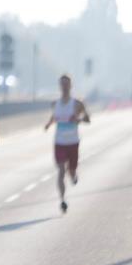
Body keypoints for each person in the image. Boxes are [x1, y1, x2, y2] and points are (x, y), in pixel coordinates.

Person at [43, 74, 91, 214]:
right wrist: (48, 124)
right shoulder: (55, 104)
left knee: (71, 170)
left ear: (71, 86)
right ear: (59, 86)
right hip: (59, 142)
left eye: (66, 84)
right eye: (62, 84)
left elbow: (88, 119)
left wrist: (79, 119)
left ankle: (74, 175)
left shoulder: (77, 104)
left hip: (73, 142)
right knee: (61, 171)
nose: (64, 87)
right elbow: (54, 116)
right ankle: (62, 200)